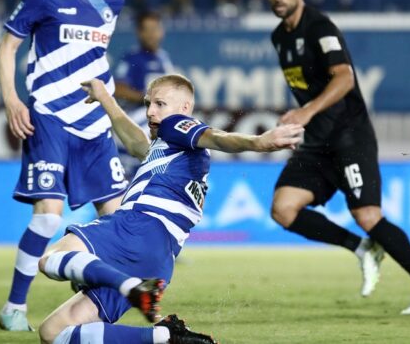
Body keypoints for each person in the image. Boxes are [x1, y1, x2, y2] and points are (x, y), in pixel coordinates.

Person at [34, 74, 303, 344]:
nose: (150, 111)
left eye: (160, 104)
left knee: (49, 259)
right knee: (53, 333)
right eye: (148, 103)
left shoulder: (176, 125)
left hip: (137, 227)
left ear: (184, 108)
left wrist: (258, 142)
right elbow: (136, 143)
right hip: (158, 259)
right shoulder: (173, 151)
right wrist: (105, 98)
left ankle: (132, 287)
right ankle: (165, 336)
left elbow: (218, 137)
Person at [264, 0, 410, 314]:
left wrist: (306, 112)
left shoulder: (320, 27)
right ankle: (361, 248)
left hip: (349, 135)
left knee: (368, 215)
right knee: (283, 208)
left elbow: (344, 78)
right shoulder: (279, 37)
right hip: (318, 142)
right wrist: (303, 120)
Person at [0, 0, 130, 331]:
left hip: (94, 124)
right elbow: (7, 47)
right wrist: (12, 100)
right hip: (49, 116)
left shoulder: (113, 1)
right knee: (48, 216)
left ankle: (92, 298)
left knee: (117, 220)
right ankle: (14, 307)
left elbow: (93, 57)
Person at [113, 10, 175, 177]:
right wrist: (146, 98)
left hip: (156, 119)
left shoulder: (164, 58)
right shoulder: (132, 58)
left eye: (155, 29)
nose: (152, 34)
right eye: (148, 30)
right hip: (135, 117)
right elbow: (118, 88)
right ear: (139, 33)